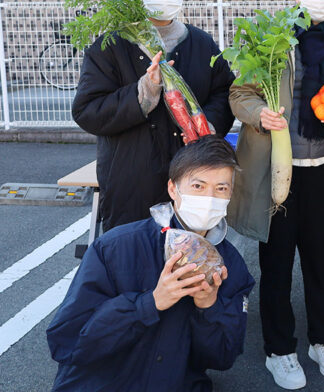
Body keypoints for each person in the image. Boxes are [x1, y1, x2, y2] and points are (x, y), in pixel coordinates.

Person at [47, 136, 255, 392]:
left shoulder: (230, 266)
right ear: (172, 189)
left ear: (231, 194)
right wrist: (151, 302)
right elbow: (66, 342)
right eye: (198, 186)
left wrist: (208, 307)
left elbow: (223, 357)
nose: (210, 198)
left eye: (221, 188)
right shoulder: (115, 247)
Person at [228, 0, 324, 389]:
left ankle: (323, 341)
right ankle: (279, 351)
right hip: (276, 170)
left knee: (319, 262)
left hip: (322, 170)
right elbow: (238, 93)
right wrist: (259, 113)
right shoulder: (271, 40)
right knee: (276, 264)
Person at [71, 0, 235, 230]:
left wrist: (206, 123)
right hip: (131, 181)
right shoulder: (111, 46)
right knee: (131, 259)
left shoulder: (201, 43)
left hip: (192, 181)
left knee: (190, 260)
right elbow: (87, 111)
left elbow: (224, 94)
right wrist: (144, 92)